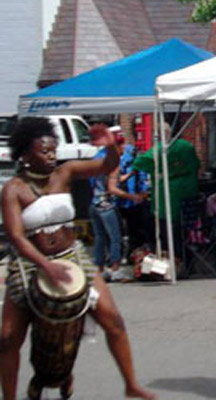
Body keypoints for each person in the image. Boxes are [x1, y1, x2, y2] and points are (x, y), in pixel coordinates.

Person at [0, 117, 156, 400]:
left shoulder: (65, 172)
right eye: (43, 151)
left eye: (52, 150)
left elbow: (106, 167)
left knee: (114, 321)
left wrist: (110, 148)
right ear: (24, 154)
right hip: (30, 263)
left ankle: (131, 385)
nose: (50, 156)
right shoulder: (14, 189)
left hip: (72, 257)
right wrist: (46, 265)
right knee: (8, 337)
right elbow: (16, 236)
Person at [132, 122, 200, 260]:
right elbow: (196, 165)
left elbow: (139, 162)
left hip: (167, 199)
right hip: (188, 196)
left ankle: (174, 259)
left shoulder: (158, 150)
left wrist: (161, 169)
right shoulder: (186, 146)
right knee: (184, 232)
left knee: (169, 234)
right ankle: (185, 260)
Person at [89, 131, 144, 281]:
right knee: (116, 238)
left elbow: (102, 182)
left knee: (100, 238)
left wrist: (130, 174)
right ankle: (115, 269)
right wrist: (131, 196)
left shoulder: (98, 160)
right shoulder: (114, 163)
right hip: (107, 206)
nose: (124, 147)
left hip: (94, 204)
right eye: (121, 144)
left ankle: (99, 269)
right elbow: (112, 188)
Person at [117, 142, 150, 261]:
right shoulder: (131, 160)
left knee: (131, 229)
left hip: (127, 201)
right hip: (130, 200)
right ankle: (134, 253)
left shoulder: (124, 159)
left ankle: (133, 253)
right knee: (134, 229)